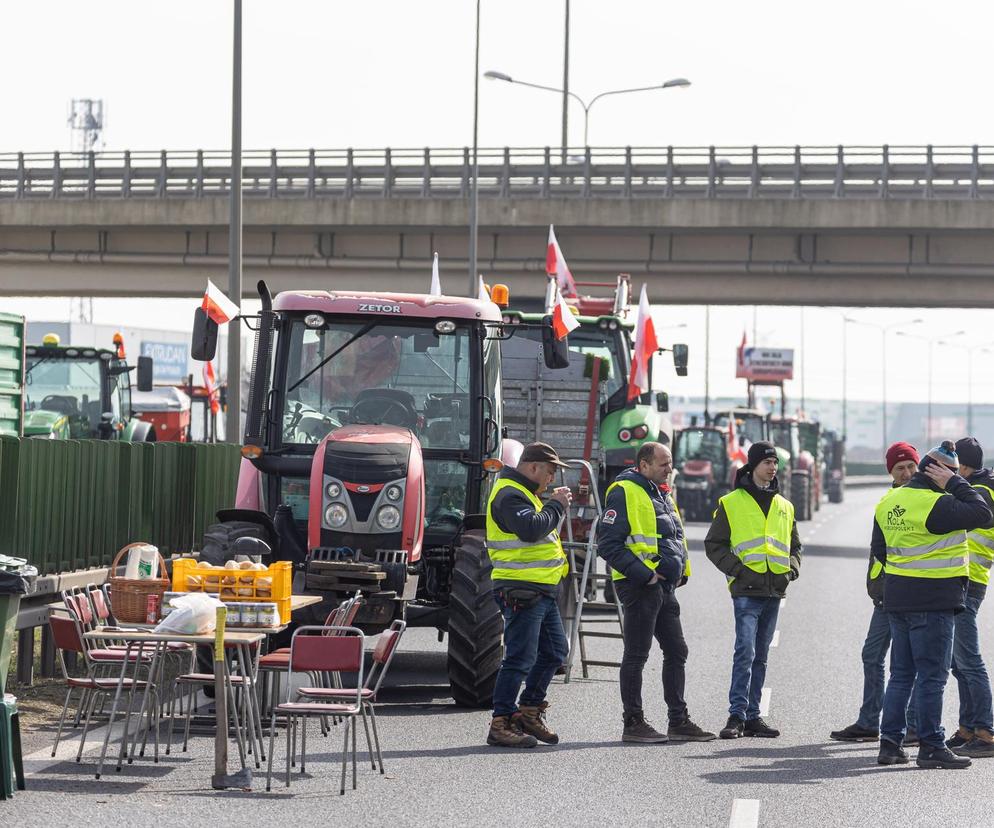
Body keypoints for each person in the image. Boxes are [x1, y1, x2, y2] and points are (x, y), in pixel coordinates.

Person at [874, 441, 992, 769]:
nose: (955, 479)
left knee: (901, 675)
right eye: (950, 473)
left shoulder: (890, 501)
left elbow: (880, 549)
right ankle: (931, 745)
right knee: (932, 677)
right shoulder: (937, 505)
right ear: (937, 472)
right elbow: (983, 513)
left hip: (898, 599)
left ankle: (890, 745)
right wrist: (954, 483)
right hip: (935, 601)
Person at [597, 442, 716, 744]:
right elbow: (608, 545)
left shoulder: (662, 492)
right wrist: (646, 574)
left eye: (670, 463)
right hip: (639, 585)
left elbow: (674, 537)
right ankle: (633, 722)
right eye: (663, 463)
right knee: (637, 654)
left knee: (677, 651)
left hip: (664, 586)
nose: (669, 468)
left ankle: (678, 721)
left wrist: (683, 571)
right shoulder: (624, 491)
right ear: (644, 464)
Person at [705, 440, 801, 739]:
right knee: (745, 651)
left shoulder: (785, 505)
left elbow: (795, 545)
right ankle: (736, 715)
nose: (772, 467)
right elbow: (714, 544)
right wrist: (738, 570)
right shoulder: (731, 502)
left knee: (760, 655)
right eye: (767, 462)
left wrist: (792, 568)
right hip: (746, 589)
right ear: (753, 466)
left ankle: (753, 716)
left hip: (774, 590)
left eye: (775, 463)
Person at [830, 441, 921, 744]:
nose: (907, 473)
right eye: (900, 468)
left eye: (911, 466)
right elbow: (878, 551)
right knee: (872, 656)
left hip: (914, 594)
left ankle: (913, 726)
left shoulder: (927, 499)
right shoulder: (887, 501)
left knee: (909, 664)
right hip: (887, 594)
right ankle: (870, 722)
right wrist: (876, 586)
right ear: (891, 472)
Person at [485, 441, 572, 749]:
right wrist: (557, 505)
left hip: (540, 589)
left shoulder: (526, 495)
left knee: (554, 653)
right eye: (550, 472)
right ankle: (502, 722)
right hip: (521, 588)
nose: (552, 480)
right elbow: (531, 530)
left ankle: (529, 711)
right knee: (520, 658)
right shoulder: (509, 493)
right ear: (533, 467)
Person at [946, 437, 994, 757]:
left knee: (969, 660)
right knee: (959, 663)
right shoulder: (974, 486)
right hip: (958, 579)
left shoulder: (980, 492)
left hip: (969, 580)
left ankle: (987, 731)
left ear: (962, 466)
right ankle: (967, 728)